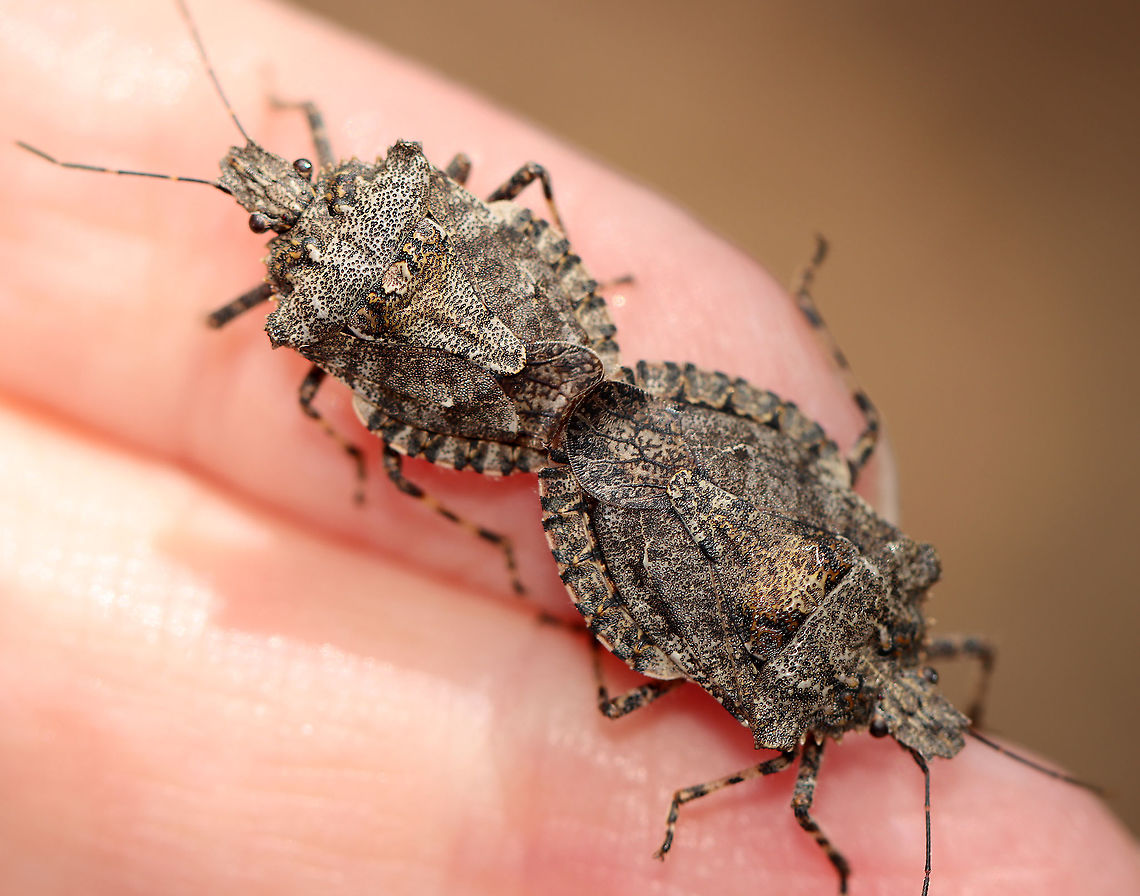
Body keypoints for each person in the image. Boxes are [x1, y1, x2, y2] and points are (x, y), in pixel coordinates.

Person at [3, 1, 1137, 892]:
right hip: (596, 399)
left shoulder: (321, 305)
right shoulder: (344, 249)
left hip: (586, 432)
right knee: (389, 450)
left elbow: (350, 394)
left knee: (385, 452)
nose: (273, 198)